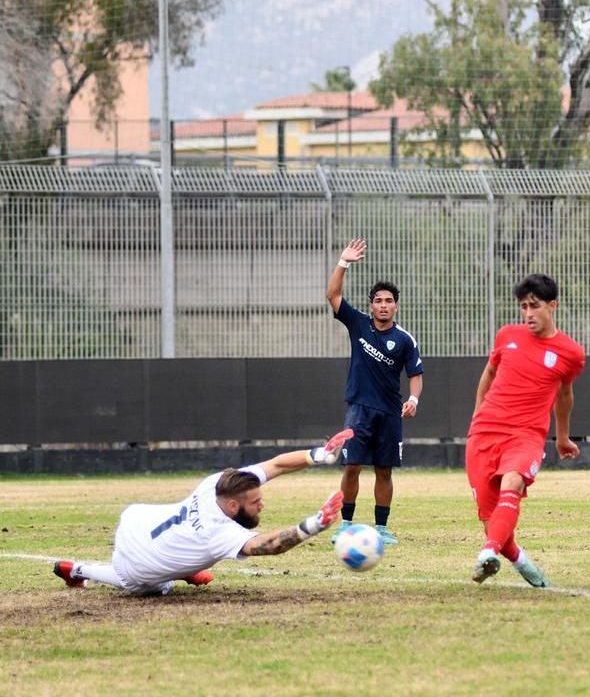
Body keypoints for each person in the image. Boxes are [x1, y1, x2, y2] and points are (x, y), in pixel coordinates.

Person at [52, 430, 353, 595]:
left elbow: (275, 465)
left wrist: (320, 455)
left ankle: (186, 568)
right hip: (136, 565)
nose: (262, 504)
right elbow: (270, 545)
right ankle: (80, 570)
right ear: (234, 506)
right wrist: (315, 523)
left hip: (135, 519)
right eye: (255, 503)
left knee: (181, 553)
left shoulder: (217, 484)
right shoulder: (220, 533)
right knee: (154, 587)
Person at [468, 274, 585, 588]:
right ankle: (518, 558)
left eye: (535, 306)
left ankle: (487, 552)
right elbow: (489, 373)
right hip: (484, 434)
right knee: (490, 521)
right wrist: (478, 415)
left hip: (527, 435)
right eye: (523, 307)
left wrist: (561, 437)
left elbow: (564, 394)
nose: (528, 313)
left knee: (513, 481)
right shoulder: (506, 335)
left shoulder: (570, 352)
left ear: (552, 306)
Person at [326, 238, 424, 546]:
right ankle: (346, 524)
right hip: (359, 409)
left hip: (389, 413)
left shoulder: (405, 339)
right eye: (378, 300)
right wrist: (343, 262)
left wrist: (413, 398)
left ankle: (381, 528)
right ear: (371, 305)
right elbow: (333, 295)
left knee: (384, 470)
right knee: (352, 465)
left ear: (396, 305)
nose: (383, 305)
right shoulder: (358, 324)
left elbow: (416, 374)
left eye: (388, 300)